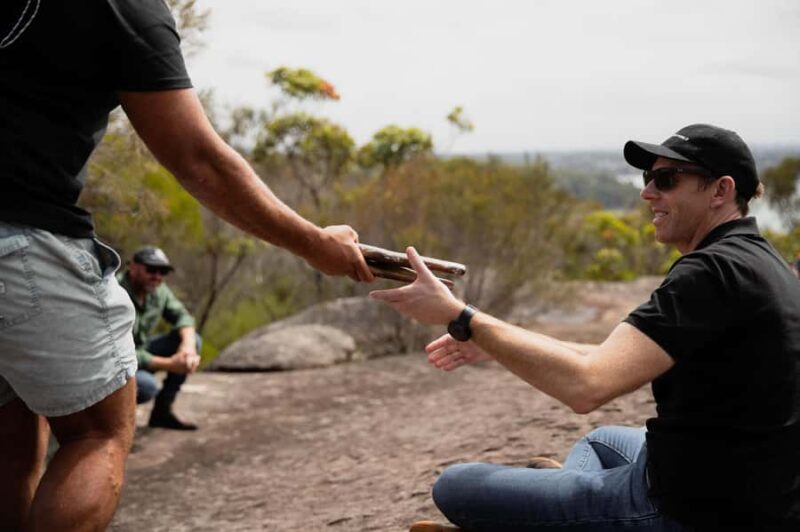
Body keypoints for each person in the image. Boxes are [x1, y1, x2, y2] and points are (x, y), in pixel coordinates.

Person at [0, 2, 373, 530]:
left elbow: (181, 320)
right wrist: (315, 243)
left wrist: (187, 346)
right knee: (96, 433)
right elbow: (199, 161)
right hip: (21, 243)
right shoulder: (124, 8)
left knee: (12, 439)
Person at [372, 124, 800, 531]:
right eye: (648, 177)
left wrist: (460, 315)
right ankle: (568, 507)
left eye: (667, 179)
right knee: (602, 441)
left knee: (457, 485)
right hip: (755, 493)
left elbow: (587, 386)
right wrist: (494, 342)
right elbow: (614, 360)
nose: (647, 192)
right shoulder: (760, 261)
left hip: (688, 510)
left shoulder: (708, 272)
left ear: (721, 191)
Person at [118, 246, 203, 431]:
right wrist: (169, 364)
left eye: (163, 271)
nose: (157, 276)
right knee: (146, 387)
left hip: (141, 352)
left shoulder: (159, 291)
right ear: (132, 267)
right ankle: (114, 429)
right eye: (151, 269)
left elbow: (183, 316)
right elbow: (117, 352)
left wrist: (187, 349)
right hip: (115, 363)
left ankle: (162, 412)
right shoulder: (115, 293)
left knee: (193, 339)